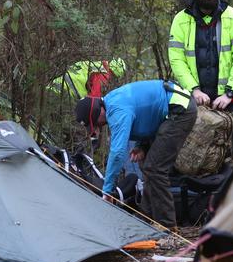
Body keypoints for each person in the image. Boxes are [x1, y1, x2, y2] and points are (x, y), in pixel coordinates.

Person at [74, 80, 197, 230]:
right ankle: (145, 218)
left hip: (179, 110)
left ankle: (167, 226)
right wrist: (141, 146)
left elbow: (117, 153)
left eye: (94, 123)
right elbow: (146, 116)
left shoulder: (117, 111)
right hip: (168, 111)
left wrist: (107, 190)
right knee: (147, 165)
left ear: (97, 112)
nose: (98, 126)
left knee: (155, 169)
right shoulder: (112, 101)